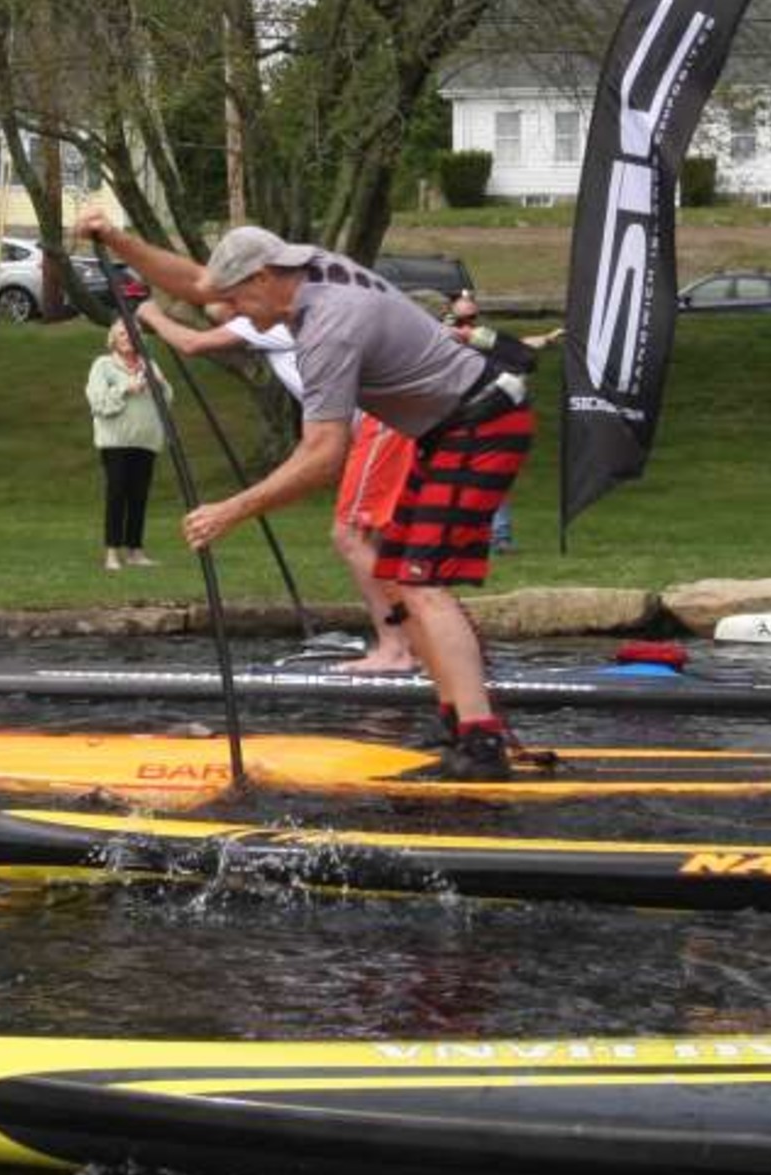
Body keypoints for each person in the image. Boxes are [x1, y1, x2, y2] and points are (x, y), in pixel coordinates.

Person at [81, 211, 533, 778]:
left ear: (264, 278)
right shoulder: (300, 267)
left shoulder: (329, 326)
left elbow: (323, 455)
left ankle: (481, 743)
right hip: (444, 426)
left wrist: (231, 509)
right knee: (399, 573)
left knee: (423, 580)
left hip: (480, 423)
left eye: (238, 301)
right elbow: (198, 283)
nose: (231, 313)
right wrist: (120, 241)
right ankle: (458, 723)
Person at [135, 294, 417, 673]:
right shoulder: (277, 318)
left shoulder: (261, 317)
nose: (209, 308)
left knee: (351, 536)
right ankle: (417, 643)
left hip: (382, 424)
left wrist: (150, 312)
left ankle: (396, 649)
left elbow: (191, 343)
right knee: (383, 539)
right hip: (395, 420)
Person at [443, 292, 561, 553]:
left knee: (492, 476)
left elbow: (516, 347)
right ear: (449, 317)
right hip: (454, 420)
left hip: (487, 417)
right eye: (463, 319)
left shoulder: (480, 337)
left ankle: (499, 537)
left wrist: (544, 339)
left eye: (473, 317)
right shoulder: (444, 341)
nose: (470, 324)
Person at [86, 320, 171, 571]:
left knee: (139, 496)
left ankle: (135, 552)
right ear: (113, 338)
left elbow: (167, 400)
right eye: (122, 333)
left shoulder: (149, 365)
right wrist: (126, 388)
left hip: (146, 442)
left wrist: (161, 383)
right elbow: (98, 403)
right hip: (116, 442)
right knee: (117, 494)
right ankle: (112, 553)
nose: (127, 338)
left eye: (132, 333)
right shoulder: (103, 365)